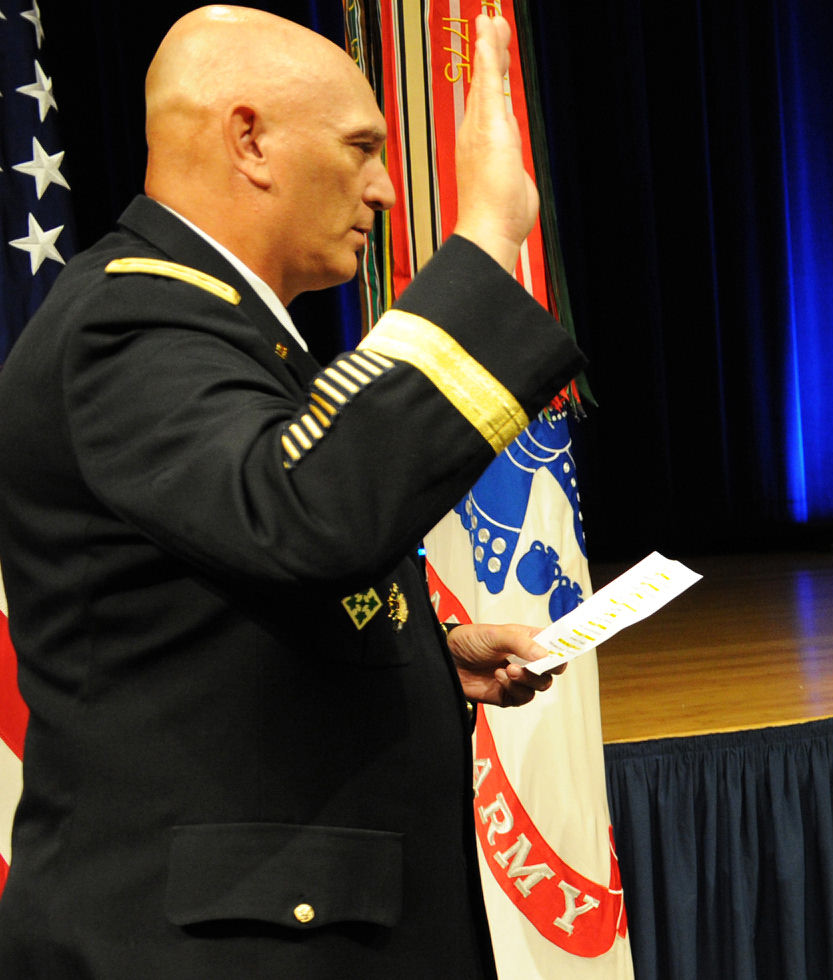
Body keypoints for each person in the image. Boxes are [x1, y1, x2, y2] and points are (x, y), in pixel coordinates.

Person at [0, 7, 582, 977]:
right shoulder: (129, 319)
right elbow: (309, 510)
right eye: (361, 148)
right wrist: (479, 247)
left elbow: (203, 598)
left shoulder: (210, 322)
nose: (386, 188)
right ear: (249, 138)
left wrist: (427, 655)